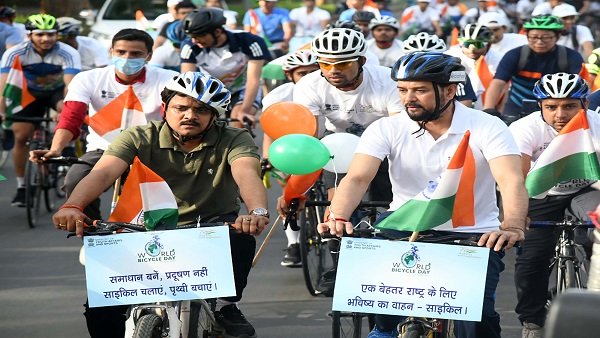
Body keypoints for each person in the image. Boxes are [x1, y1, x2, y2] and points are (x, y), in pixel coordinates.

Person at [318, 51, 528, 338]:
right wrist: (339, 214)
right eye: (402, 90)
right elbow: (357, 178)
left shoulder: (487, 126)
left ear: (450, 91)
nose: (408, 98)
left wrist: (513, 225)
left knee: (475, 322)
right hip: (404, 223)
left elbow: (511, 179)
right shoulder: (387, 127)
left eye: (419, 90)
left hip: (473, 232)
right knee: (383, 312)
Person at [52, 71, 267, 338]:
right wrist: (73, 205)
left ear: (214, 115)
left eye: (201, 109)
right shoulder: (138, 136)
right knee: (102, 307)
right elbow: (103, 173)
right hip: (141, 228)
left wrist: (256, 211)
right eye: (181, 107)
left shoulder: (235, 138)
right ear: (165, 108)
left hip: (210, 229)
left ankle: (225, 305)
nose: (190, 115)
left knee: (241, 240)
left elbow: (246, 172)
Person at [30, 29, 178, 221]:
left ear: (149, 56)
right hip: (103, 150)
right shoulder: (88, 78)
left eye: (136, 54)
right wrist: (56, 149)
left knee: (178, 187)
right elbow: (71, 116)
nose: (127, 58)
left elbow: (176, 116)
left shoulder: (168, 79)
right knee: (75, 180)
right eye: (121, 52)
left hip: (154, 149)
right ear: (111, 52)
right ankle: (93, 233)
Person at [509, 73, 600, 338]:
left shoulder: (597, 124)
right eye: (551, 106)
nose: (560, 114)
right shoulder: (524, 129)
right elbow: (516, 177)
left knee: (595, 240)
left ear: (584, 103)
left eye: (569, 105)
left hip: (586, 190)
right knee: (532, 260)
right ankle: (533, 322)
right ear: (540, 106)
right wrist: (515, 217)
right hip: (540, 195)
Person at [0, 14, 81, 207]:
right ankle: (22, 187)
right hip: (27, 95)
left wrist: (65, 111)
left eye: (51, 34)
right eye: (40, 34)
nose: (46, 39)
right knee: (21, 136)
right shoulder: (15, 52)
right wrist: (2, 110)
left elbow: (70, 87)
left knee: (67, 109)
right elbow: (3, 86)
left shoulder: (68, 52)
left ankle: (66, 144)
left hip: (56, 93)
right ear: (29, 35)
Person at [261, 49, 319, 266]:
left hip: (323, 145)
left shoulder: (329, 90)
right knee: (287, 189)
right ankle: (294, 242)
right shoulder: (277, 97)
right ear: (290, 75)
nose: (309, 77)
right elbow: (270, 131)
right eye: (302, 73)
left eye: (314, 72)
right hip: (292, 148)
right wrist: (267, 158)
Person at [181, 8, 270, 129]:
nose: (194, 40)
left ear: (217, 31)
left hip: (242, 88)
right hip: (211, 91)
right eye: (192, 36)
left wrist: (244, 110)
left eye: (199, 35)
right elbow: (188, 82)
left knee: (238, 122)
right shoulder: (190, 47)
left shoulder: (250, 42)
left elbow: (253, 80)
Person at [483, 15, 585, 118]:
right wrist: (488, 110)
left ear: (557, 37)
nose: (539, 42)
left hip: (555, 109)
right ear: (526, 36)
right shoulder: (515, 55)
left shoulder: (570, 56)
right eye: (534, 37)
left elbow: (582, 85)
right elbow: (498, 83)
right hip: (517, 107)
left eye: (546, 37)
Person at [402, 32, 479, 107]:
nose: (423, 64)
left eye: (430, 59)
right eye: (417, 59)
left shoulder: (456, 73)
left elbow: (465, 103)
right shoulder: (400, 74)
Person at [445, 23, 500, 109]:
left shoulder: (497, 58)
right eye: (467, 44)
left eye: (478, 45)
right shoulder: (450, 56)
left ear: (488, 45)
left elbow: (504, 87)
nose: (472, 49)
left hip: (488, 104)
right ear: (460, 44)